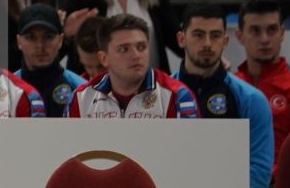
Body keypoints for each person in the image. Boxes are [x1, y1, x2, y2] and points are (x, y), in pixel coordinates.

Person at [173, 4, 279, 188]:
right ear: (181, 39)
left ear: (226, 40)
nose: (208, 44)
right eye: (198, 35)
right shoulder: (160, 95)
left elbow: (259, 173)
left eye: (215, 35)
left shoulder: (251, 100)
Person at [68, 14, 198, 120]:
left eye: (141, 47)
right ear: (104, 58)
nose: (136, 55)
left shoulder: (177, 95)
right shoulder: (81, 98)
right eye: (124, 49)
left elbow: (188, 145)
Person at [233, 0, 290, 149]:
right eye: (255, 31)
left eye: (272, 30)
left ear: (282, 33)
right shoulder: (228, 88)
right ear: (239, 36)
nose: (265, 39)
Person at [14, 3, 85, 118]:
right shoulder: (6, 90)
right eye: (31, 37)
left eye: (48, 37)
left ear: (60, 40)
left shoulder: (80, 90)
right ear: (19, 42)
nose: (40, 46)